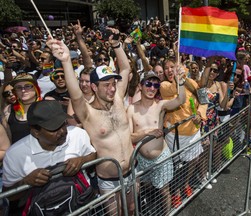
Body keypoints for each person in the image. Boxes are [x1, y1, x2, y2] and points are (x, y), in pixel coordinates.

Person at [47, 28, 136, 215]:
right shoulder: (87, 112)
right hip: (109, 180)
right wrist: (65, 62)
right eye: (107, 85)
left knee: (132, 209)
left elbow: (126, 68)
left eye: (114, 84)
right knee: (116, 214)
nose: (112, 89)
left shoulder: (119, 98)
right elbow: (75, 94)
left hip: (132, 172)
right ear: (94, 87)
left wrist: (116, 45)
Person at [2, 100, 97, 215]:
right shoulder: (15, 155)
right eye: (54, 128)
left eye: (63, 123)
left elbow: (93, 155)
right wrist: (26, 182)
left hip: (81, 208)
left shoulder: (78, 134)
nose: (63, 131)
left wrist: (82, 160)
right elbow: (9, 195)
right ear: (35, 132)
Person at [127, 70, 186, 214]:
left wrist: (181, 82)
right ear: (141, 86)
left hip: (161, 158)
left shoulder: (160, 106)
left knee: (164, 191)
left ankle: (168, 213)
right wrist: (147, 133)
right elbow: (128, 137)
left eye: (155, 85)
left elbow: (180, 100)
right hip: (141, 160)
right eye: (148, 84)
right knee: (140, 188)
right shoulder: (131, 109)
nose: (152, 88)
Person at [160, 59, 207, 208]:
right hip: (176, 134)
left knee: (193, 159)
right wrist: (181, 77)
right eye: (166, 68)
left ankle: (185, 183)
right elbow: (176, 91)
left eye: (172, 67)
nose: (169, 70)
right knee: (176, 166)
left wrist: (200, 113)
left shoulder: (192, 82)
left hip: (194, 130)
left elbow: (204, 99)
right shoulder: (164, 86)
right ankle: (176, 192)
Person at [3, 73, 41, 144]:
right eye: (18, 87)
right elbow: (8, 140)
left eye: (27, 86)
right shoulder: (9, 110)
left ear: (36, 88)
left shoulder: (47, 106)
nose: (23, 90)